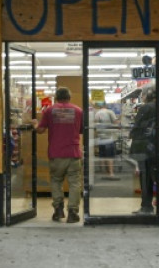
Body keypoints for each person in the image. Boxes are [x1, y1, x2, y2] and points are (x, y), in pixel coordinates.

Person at [34, 86, 84, 223]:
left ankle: (58, 210)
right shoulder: (78, 111)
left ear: (56, 97)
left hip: (56, 153)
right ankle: (73, 212)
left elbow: (41, 130)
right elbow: (81, 130)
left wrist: (35, 125)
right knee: (74, 183)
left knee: (56, 181)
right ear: (69, 97)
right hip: (73, 153)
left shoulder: (50, 111)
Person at [129, 86, 156, 215]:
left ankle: (146, 206)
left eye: (143, 95)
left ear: (147, 95)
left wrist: (132, 136)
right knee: (155, 176)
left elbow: (138, 126)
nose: (142, 97)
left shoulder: (146, 108)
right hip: (156, 146)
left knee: (145, 178)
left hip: (144, 147)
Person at [93, 101, 119, 179]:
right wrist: (118, 121)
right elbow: (115, 122)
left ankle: (105, 171)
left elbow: (95, 125)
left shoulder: (97, 113)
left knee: (103, 155)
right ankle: (111, 173)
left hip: (101, 138)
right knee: (110, 156)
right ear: (106, 105)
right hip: (109, 138)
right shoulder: (110, 112)